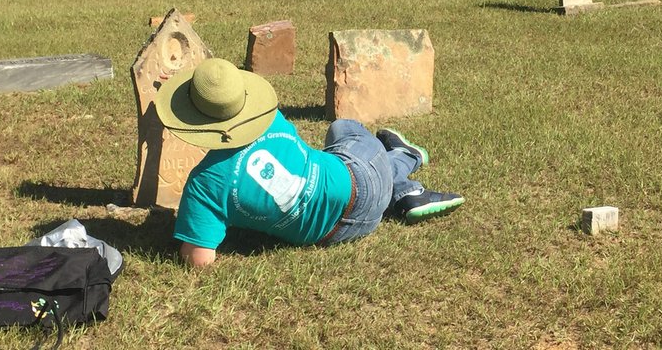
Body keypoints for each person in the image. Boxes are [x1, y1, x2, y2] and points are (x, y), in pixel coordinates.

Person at [155, 58, 465, 267]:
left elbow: (199, 260)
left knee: (349, 141)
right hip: (361, 179)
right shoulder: (268, 117)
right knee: (343, 128)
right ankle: (402, 161)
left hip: (342, 233)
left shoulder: (203, 185)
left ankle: (400, 176)